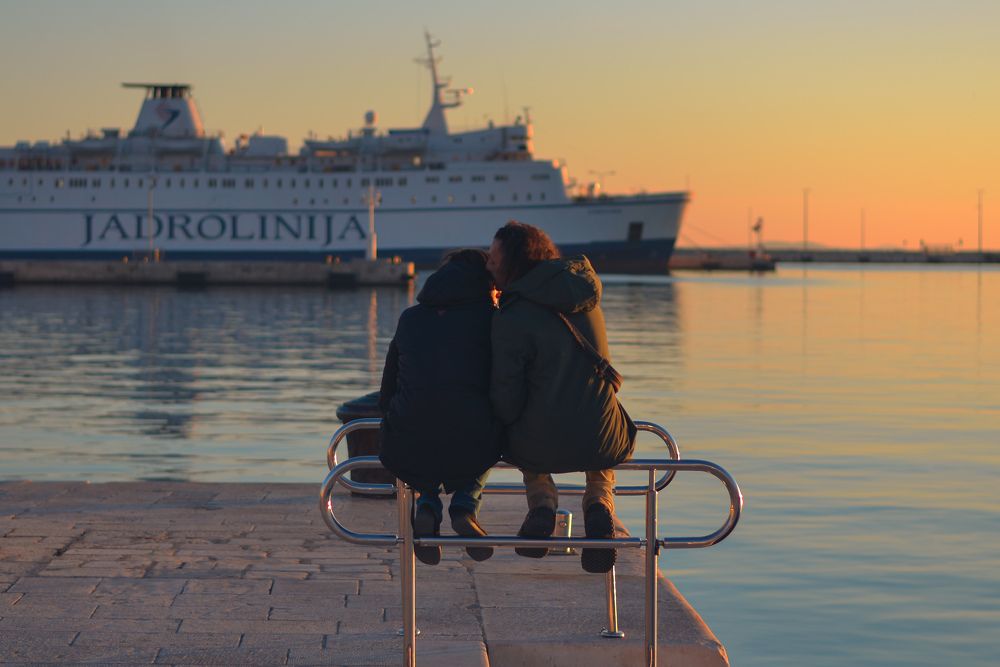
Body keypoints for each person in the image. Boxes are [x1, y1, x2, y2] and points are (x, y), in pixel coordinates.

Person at [487, 222, 636, 573]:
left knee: (517, 425)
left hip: (540, 444)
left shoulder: (513, 316)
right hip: (601, 438)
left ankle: (542, 505)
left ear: (514, 262)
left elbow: (507, 396)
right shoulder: (586, 296)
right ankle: (599, 502)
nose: (488, 265)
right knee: (599, 414)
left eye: (493, 258)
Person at [378, 249, 503, 566]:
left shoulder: (410, 317)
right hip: (469, 431)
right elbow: (503, 381)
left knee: (420, 442)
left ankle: (427, 504)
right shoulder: (492, 319)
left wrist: (392, 414)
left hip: (408, 429)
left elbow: (388, 383)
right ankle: (464, 506)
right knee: (486, 436)